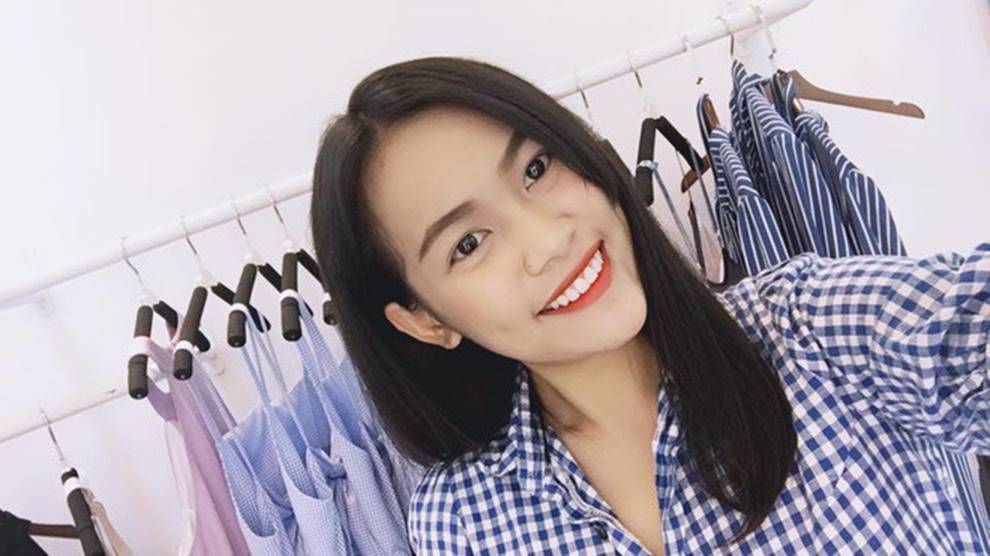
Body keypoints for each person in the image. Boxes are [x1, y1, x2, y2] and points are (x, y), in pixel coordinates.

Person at [308, 56, 990, 554]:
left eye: (537, 169)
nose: (548, 240)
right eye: (469, 243)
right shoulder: (463, 521)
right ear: (425, 320)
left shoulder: (812, 328)